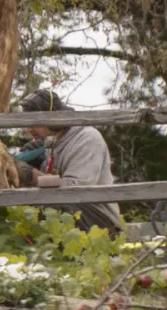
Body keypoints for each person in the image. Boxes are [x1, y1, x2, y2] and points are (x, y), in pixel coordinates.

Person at [17, 88, 122, 231]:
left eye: (34, 122)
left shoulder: (87, 138)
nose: (28, 129)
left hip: (98, 220)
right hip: (69, 212)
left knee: (53, 207)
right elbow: (48, 183)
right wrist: (34, 165)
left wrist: (31, 174)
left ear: (53, 119)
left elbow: (75, 190)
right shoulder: (50, 143)